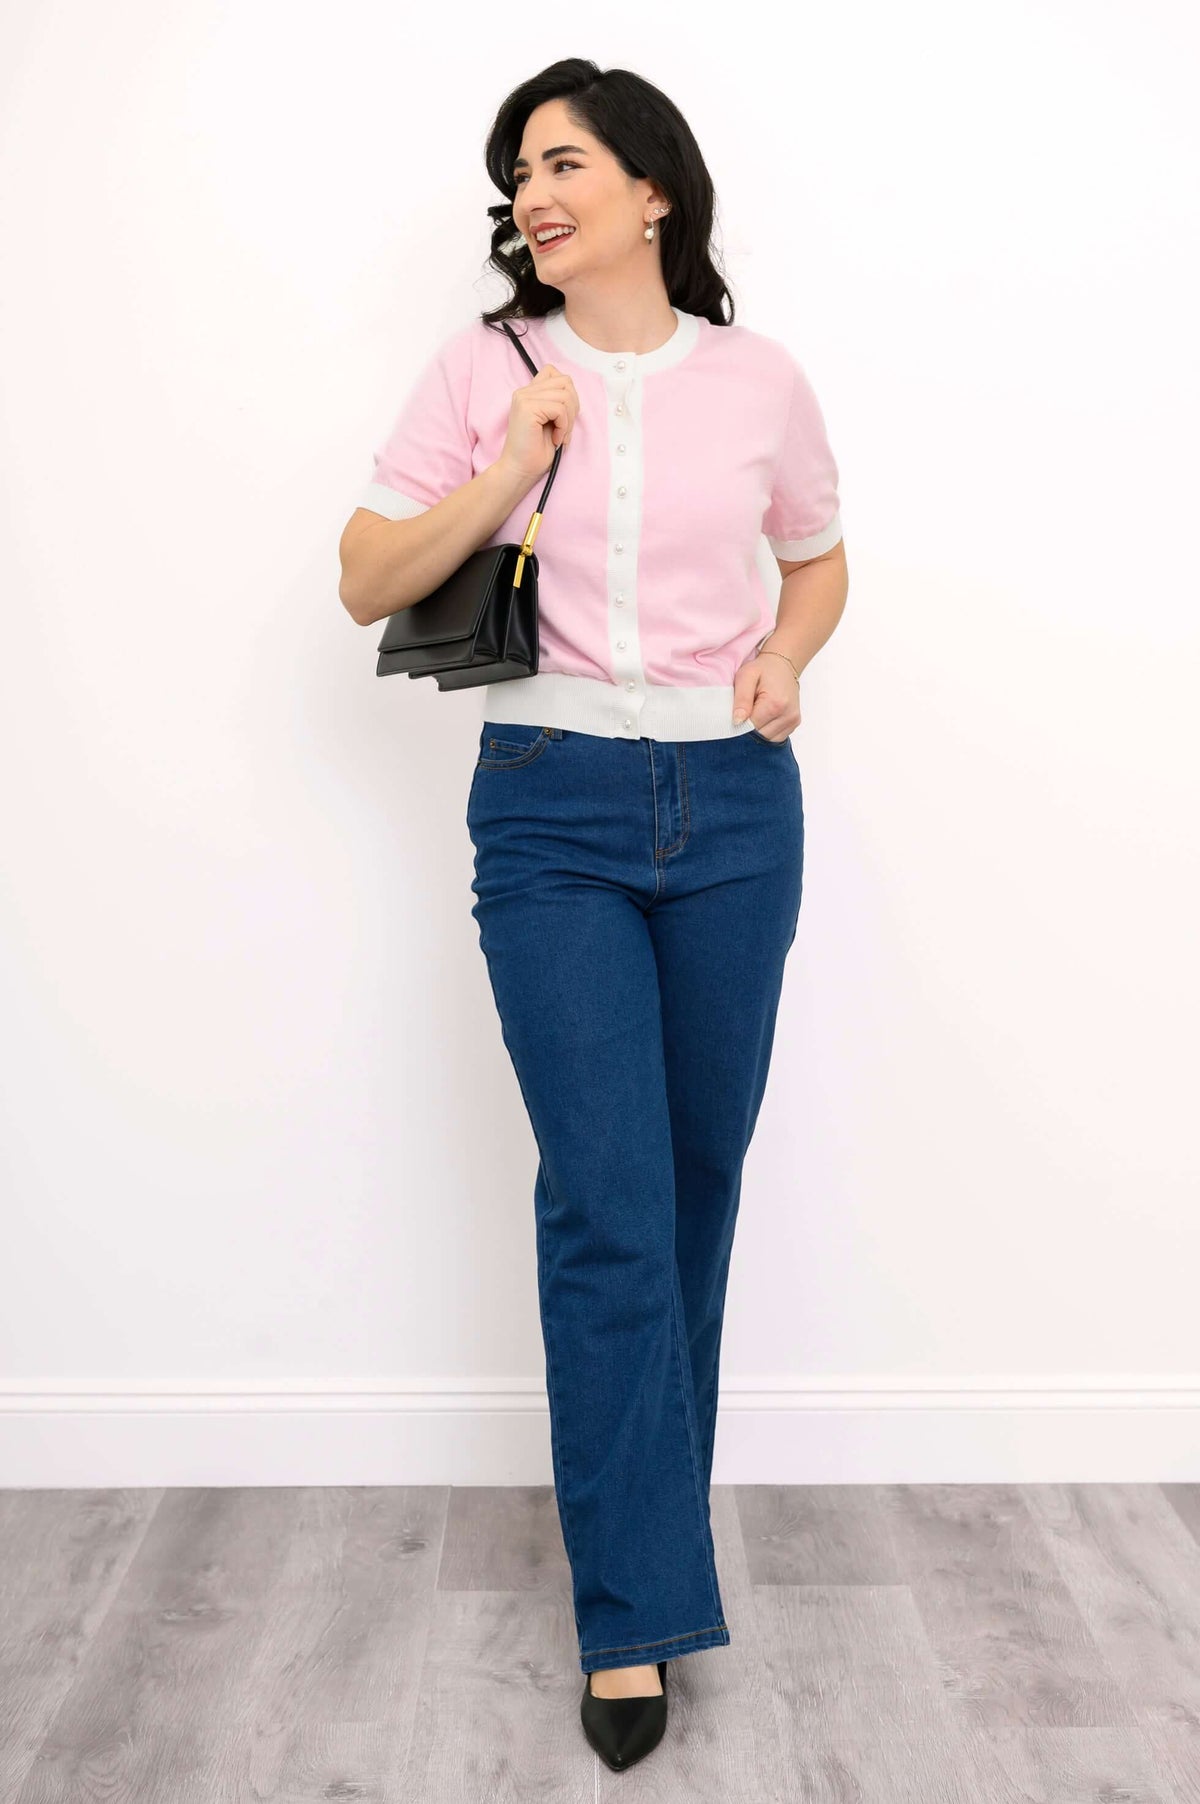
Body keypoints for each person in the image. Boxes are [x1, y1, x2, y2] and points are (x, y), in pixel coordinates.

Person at [338, 58, 848, 1773]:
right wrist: (511, 467)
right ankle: (631, 1620)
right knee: (610, 1207)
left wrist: (785, 658)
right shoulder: (488, 366)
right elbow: (366, 574)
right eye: (518, 173)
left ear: (653, 191)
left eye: (563, 163)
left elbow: (819, 557)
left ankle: (649, 1543)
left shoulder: (761, 379)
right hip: (550, 808)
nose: (532, 194)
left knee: (694, 1190)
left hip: (735, 810)